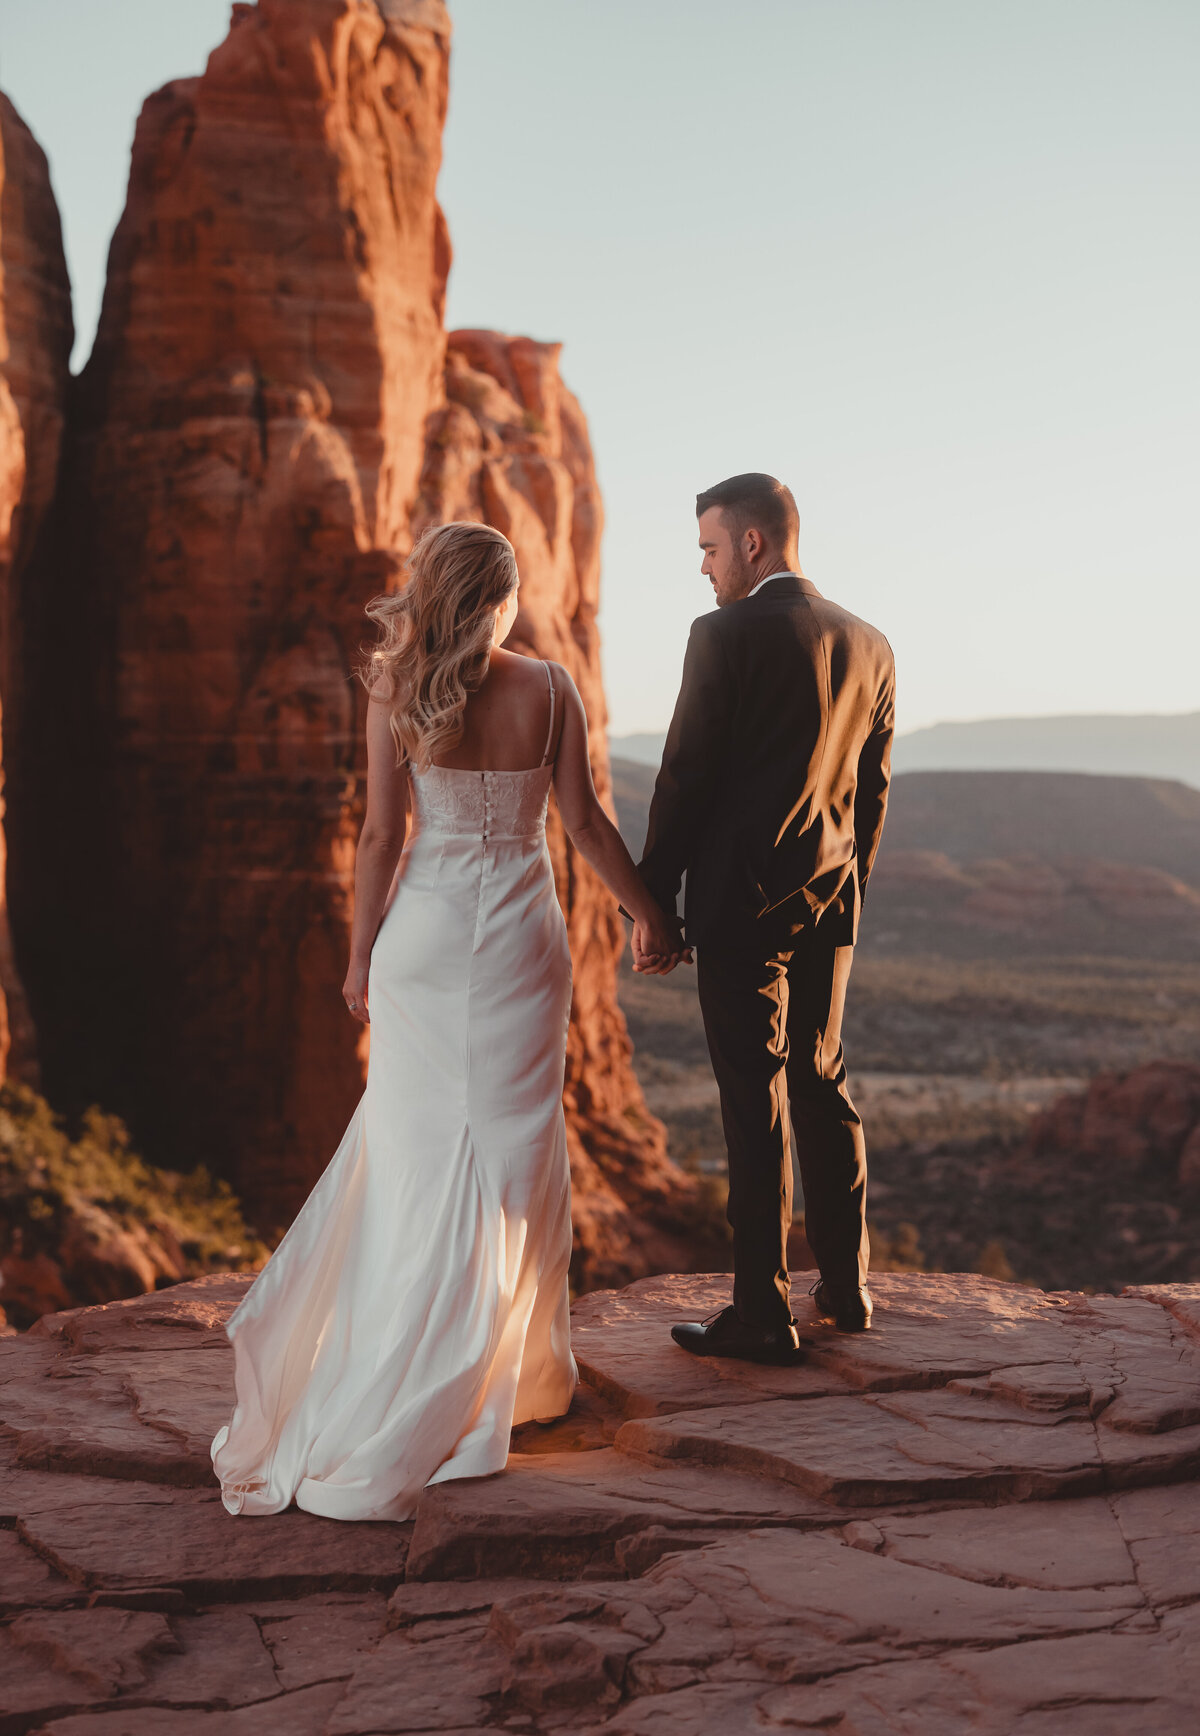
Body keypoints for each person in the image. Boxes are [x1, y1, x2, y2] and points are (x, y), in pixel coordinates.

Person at [211, 521, 680, 1521]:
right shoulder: (550, 688)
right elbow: (586, 823)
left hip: (421, 941)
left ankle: (398, 1358)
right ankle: (513, 1371)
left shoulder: (395, 686)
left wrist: (356, 955)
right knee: (516, 1145)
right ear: (503, 596)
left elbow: (382, 833)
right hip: (519, 935)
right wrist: (650, 912)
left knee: (416, 1148)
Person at [635, 473, 895, 1364]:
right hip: (834, 897)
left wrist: (653, 901)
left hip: (740, 904)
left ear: (753, 543)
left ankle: (761, 1313)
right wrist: (848, 883)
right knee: (825, 1079)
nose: (703, 570)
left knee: (755, 1101)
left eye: (710, 548)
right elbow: (872, 794)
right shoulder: (872, 643)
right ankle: (849, 1288)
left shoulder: (722, 634)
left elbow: (684, 776)